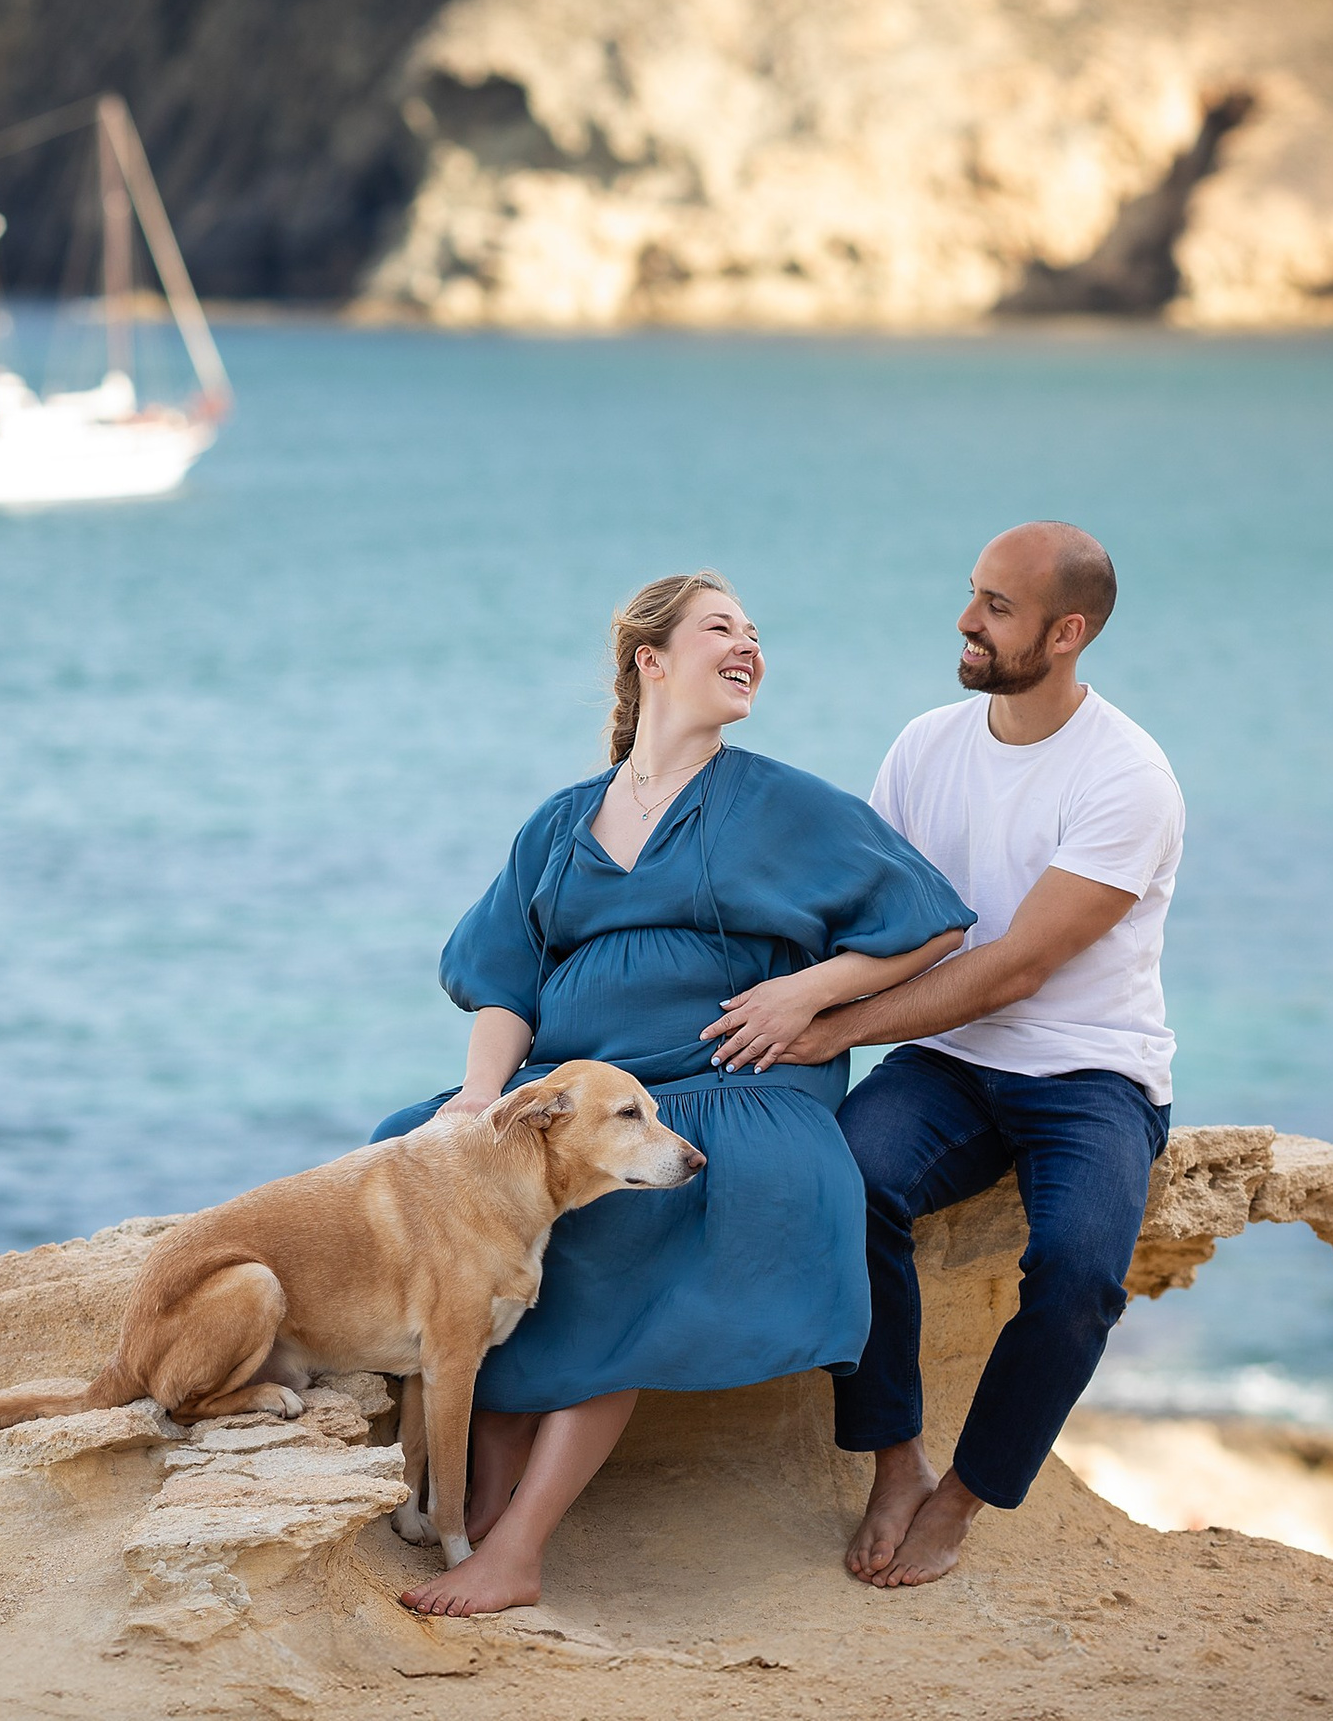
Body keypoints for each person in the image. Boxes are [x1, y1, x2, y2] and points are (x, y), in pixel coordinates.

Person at [371, 572, 974, 1616]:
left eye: (754, 634)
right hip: (566, 1091)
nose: (748, 646)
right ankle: (469, 1490)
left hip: (726, 1092)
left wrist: (808, 992)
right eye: (720, 629)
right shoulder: (561, 822)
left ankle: (515, 1545)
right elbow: (504, 976)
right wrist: (477, 1097)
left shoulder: (783, 800)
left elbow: (928, 918)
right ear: (649, 660)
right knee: (417, 1167)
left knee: (617, 1219)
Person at [731, 521, 1183, 1591]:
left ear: (1066, 633)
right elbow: (873, 921)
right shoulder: (925, 745)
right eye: (972, 593)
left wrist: (834, 1029)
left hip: (1091, 1072)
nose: (965, 620)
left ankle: (968, 1493)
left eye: (996, 606)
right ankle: (896, 1459)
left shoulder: (1129, 777)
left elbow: (1017, 965)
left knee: (1075, 1270)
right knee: (849, 1182)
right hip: (947, 1063)